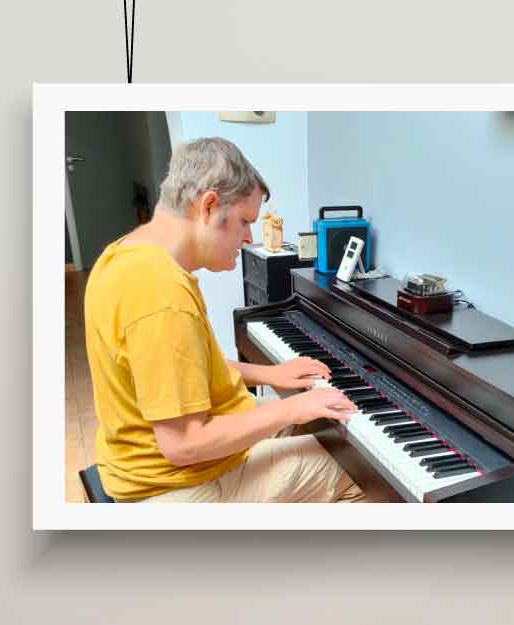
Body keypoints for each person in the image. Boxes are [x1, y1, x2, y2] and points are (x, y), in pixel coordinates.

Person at [83, 136, 364, 503]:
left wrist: (269, 375)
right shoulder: (161, 293)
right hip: (177, 485)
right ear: (209, 206)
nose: (249, 238)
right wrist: (291, 405)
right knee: (361, 475)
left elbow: (185, 369)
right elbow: (184, 444)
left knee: (316, 423)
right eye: (245, 222)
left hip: (142, 461)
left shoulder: (124, 255)